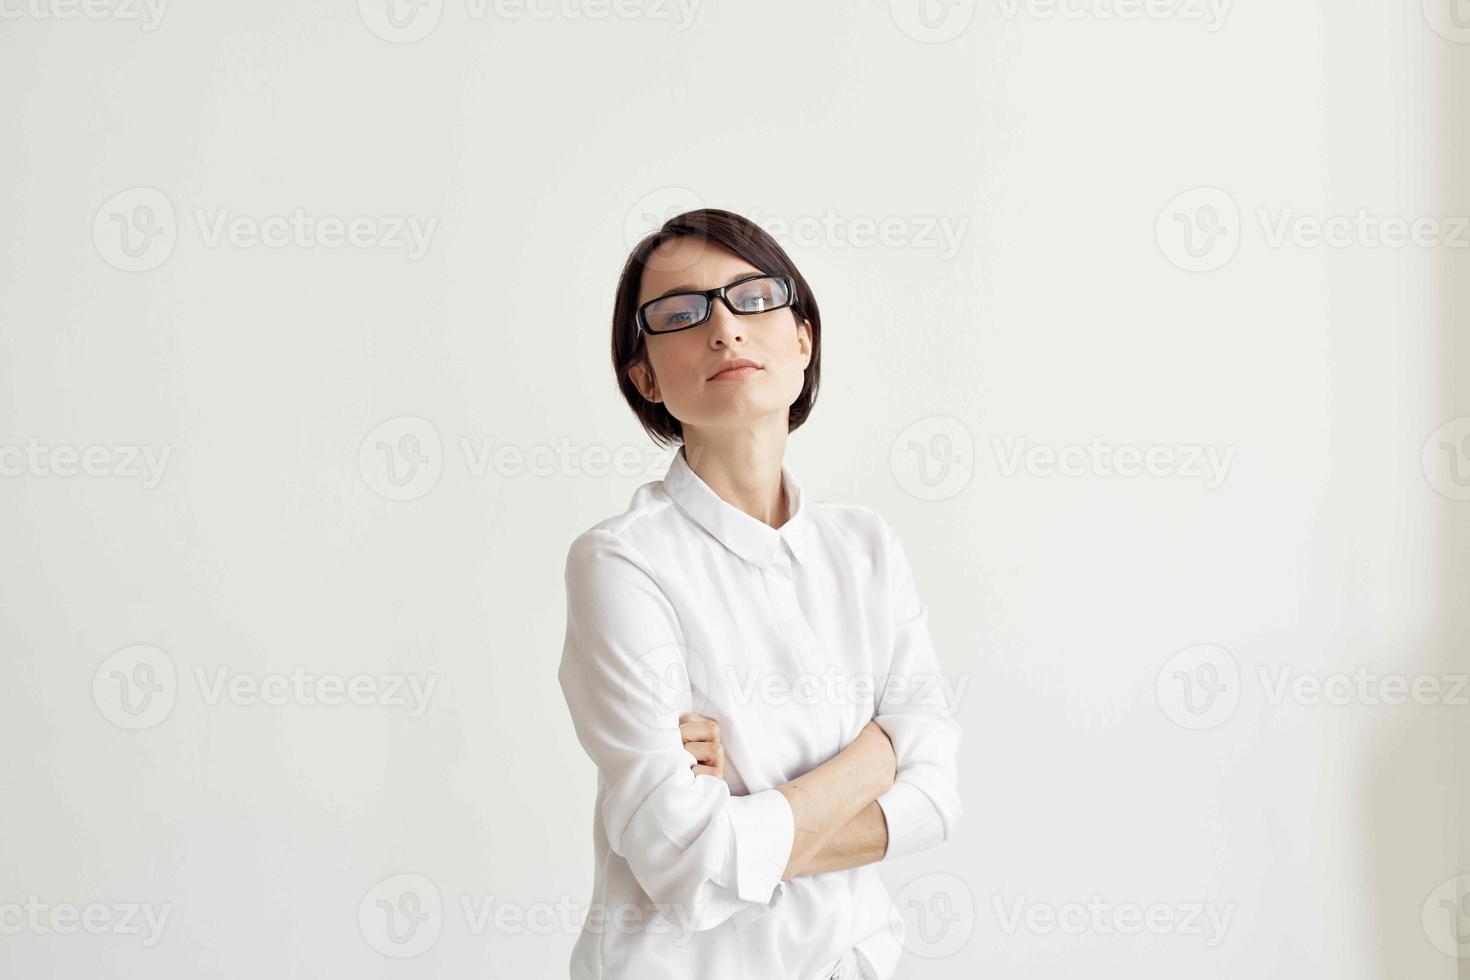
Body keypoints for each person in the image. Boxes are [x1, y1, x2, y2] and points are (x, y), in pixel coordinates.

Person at [556, 208, 963, 979]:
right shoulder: (621, 563)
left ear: (802, 337)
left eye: (751, 297)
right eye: (679, 314)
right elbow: (684, 859)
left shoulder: (865, 548)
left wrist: (738, 826)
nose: (723, 329)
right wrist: (877, 755)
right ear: (644, 375)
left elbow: (938, 799)